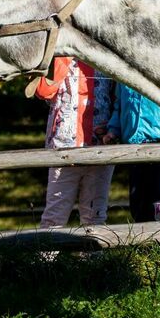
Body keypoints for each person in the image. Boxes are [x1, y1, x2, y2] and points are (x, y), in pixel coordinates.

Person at [33, 57, 113, 228]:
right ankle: (45, 255)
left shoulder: (102, 56)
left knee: (95, 215)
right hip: (64, 148)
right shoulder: (59, 57)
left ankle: (93, 255)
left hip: (100, 146)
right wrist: (62, 61)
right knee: (55, 215)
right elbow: (43, 91)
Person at [99, 81, 160, 228]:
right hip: (135, 149)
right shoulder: (125, 75)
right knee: (139, 205)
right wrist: (113, 130)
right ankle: (144, 249)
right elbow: (119, 106)